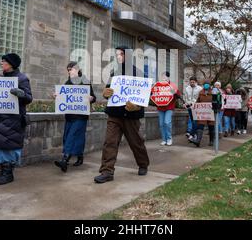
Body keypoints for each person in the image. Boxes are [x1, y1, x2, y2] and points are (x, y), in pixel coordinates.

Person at [94, 46, 150, 183]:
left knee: (136, 143)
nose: (118, 57)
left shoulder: (140, 74)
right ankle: (107, 171)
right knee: (110, 142)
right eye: (117, 54)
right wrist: (106, 93)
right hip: (114, 115)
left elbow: (146, 95)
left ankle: (143, 164)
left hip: (131, 117)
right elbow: (109, 91)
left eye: (120, 54)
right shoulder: (115, 73)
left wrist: (137, 106)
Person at [0, 53, 33, 185]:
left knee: (7, 145)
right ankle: (5, 168)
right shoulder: (0, 79)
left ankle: (7, 172)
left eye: (4, 61)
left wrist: (21, 94)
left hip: (13, 118)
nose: (1, 63)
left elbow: (28, 98)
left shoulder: (22, 79)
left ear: (11, 64)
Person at [53, 61, 96, 172]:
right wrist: (57, 96)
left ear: (77, 69)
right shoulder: (67, 83)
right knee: (69, 136)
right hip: (70, 115)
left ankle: (65, 159)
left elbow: (93, 97)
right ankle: (80, 156)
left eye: (71, 69)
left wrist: (91, 98)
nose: (69, 71)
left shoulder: (85, 81)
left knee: (72, 136)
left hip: (81, 115)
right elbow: (63, 97)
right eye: (68, 70)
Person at [156, 71, 181, 146]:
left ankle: (169, 138)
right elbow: (154, 93)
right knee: (161, 124)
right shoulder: (158, 85)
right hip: (160, 107)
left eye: (164, 76)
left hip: (169, 107)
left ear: (168, 77)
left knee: (167, 122)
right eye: (162, 76)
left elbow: (178, 95)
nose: (163, 78)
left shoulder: (172, 85)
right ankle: (164, 139)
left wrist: (173, 91)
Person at [189, 79, 215, 147]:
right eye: (205, 84)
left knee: (211, 126)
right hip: (202, 113)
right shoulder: (201, 92)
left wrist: (214, 107)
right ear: (203, 85)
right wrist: (194, 106)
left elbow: (216, 102)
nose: (206, 85)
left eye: (207, 84)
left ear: (209, 85)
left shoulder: (213, 92)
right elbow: (198, 101)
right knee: (200, 125)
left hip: (210, 112)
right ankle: (198, 141)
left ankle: (211, 140)